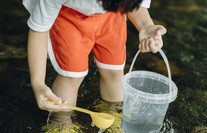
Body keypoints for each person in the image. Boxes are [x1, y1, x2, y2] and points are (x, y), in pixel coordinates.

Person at [23, 0, 166, 112]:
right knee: (71, 75)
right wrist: (38, 84)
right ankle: (62, 123)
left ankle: (113, 112)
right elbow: (39, 30)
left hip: (113, 14)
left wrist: (146, 26)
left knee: (115, 72)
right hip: (69, 15)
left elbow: (136, 6)